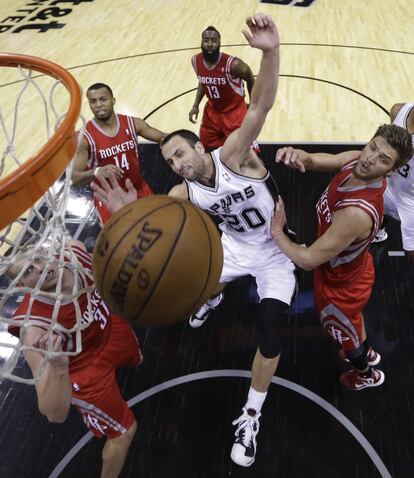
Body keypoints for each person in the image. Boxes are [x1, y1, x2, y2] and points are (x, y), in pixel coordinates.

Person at [92, 13, 293, 469]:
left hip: (276, 248)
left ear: (201, 148)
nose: (177, 163)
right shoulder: (184, 191)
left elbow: (259, 106)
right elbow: (157, 225)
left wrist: (270, 51)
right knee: (198, 284)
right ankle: (212, 295)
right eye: (170, 160)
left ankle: (250, 415)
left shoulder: (233, 155)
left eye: (181, 152)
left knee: (271, 332)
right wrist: (128, 215)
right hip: (236, 247)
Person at [271, 124, 413, 391]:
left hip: (339, 289)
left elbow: (307, 259)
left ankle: (365, 374)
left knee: (345, 338)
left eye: (383, 159)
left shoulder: (356, 213)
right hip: (352, 269)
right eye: (372, 148)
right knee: (354, 324)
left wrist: (278, 233)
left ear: (391, 170)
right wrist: (297, 155)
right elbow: (314, 160)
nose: (371, 158)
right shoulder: (355, 160)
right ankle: (367, 352)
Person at [7, 241, 142, 478]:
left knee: (137, 360)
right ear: (20, 285)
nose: (39, 268)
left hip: (109, 328)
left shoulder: (74, 252)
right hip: (85, 372)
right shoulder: (35, 330)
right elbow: (54, 413)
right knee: (123, 432)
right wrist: (59, 367)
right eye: (28, 270)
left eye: (38, 258)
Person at [72, 82, 166, 224]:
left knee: (160, 225)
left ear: (113, 100)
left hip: (138, 188)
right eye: (93, 101)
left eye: (103, 99)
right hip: (109, 198)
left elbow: (164, 138)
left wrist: (191, 141)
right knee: (121, 240)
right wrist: (96, 172)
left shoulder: (132, 123)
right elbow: (74, 177)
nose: (98, 104)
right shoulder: (85, 137)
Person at [188, 25, 256, 151]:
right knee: (206, 150)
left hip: (235, 114)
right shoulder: (195, 61)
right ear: (201, 42)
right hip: (212, 113)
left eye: (213, 40)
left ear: (220, 43)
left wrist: (253, 105)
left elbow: (251, 79)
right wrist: (196, 105)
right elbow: (203, 82)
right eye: (206, 40)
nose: (209, 44)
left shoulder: (234, 65)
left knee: (245, 153)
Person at [373, 103, 414, 262]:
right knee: (376, 208)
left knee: (411, 253)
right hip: (390, 182)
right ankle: (379, 232)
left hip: (410, 200)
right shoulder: (398, 111)